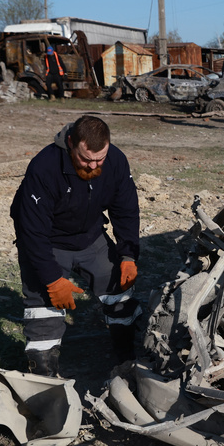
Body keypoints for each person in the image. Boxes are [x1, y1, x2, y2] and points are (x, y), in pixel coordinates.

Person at [10, 115, 141, 377]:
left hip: (91, 238)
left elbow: (126, 209)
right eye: (85, 159)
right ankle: (44, 378)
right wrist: (52, 278)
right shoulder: (44, 167)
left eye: (99, 159)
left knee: (120, 293)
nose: (93, 165)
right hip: (48, 243)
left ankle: (129, 358)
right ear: (71, 143)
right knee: (44, 310)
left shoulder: (115, 160)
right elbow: (32, 232)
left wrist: (128, 254)